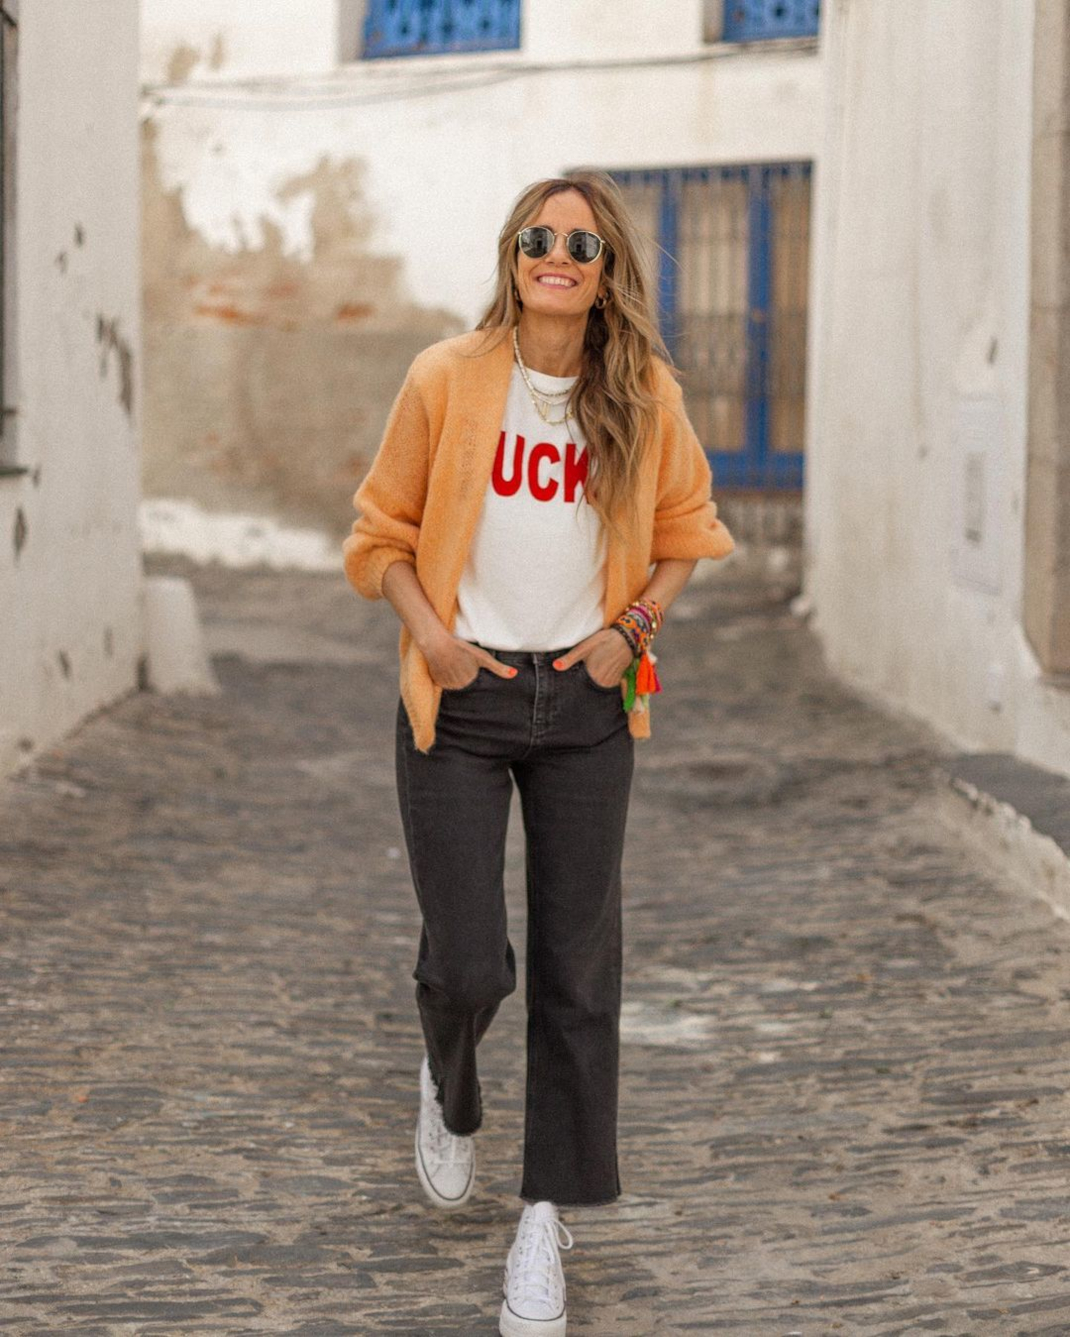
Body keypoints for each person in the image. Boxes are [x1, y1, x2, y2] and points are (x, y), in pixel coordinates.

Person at [343, 171, 734, 1336]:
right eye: (535, 236)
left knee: (575, 975)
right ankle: (447, 1082)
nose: (554, 254)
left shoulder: (643, 396)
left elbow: (683, 534)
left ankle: (542, 1221)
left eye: (578, 242)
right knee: (467, 963)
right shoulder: (446, 378)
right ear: (511, 254)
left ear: (606, 269)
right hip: (461, 699)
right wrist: (434, 640)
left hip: (583, 702)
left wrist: (629, 634)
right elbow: (379, 535)